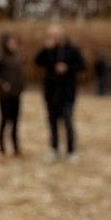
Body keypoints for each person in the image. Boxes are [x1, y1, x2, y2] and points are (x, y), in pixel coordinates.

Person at [34, 24, 85, 162]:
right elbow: (37, 61)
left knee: (68, 122)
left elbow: (82, 65)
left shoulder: (72, 49)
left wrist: (67, 68)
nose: (54, 37)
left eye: (56, 34)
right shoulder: (48, 50)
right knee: (52, 122)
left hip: (67, 93)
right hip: (51, 93)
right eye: (51, 35)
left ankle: (71, 151)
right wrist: (45, 49)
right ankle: (54, 149)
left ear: (62, 34)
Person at [0, 33, 24, 155]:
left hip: (16, 94)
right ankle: (1, 146)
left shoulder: (17, 56)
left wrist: (21, 86)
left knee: (15, 121)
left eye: (15, 42)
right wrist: (1, 84)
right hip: (4, 95)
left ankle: (16, 146)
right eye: (11, 42)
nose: (13, 45)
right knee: (5, 120)